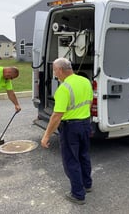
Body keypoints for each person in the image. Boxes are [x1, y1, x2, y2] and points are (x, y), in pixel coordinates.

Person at [41, 58, 93, 205]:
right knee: (84, 155)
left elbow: (57, 116)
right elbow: (89, 103)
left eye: (54, 70)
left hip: (71, 128)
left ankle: (78, 195)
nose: (54, 74)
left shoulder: (64, 89)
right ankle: (87, 185)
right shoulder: (85, 81)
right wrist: (83, 119)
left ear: (61, 70)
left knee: (71, 160)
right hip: (85, 123)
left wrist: (46, 136)